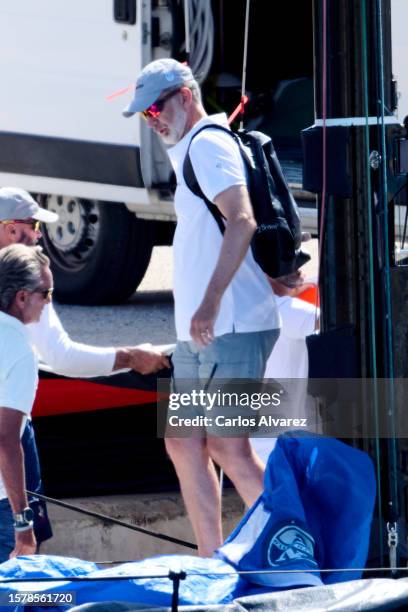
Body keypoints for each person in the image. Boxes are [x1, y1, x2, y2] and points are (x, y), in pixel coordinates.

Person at [123, 59, 280, 556]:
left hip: (229, 327)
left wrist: (210, 304)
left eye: (156, 108)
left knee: (229, 447)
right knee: (184, 441)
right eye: (145, 114)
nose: (153, 120)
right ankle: (211, 558)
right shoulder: (192, 148)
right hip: (200, 335)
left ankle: (297, 550)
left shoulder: (209, 145)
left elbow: (242, 220)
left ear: (186, 97)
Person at [0, 187, 170, 554]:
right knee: (21, 575)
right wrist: (131, 357)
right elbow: (62, 357)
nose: (39, 236)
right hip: (9, 448)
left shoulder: (23, 287)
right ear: (12, 231)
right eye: (33, 227)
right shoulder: (26, 289)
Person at [0, 244, 53, 561]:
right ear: (22, 297)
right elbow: (6, 439)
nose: (49, 302)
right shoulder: (19, 349)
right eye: (46, 293)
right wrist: (23, 523)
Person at [252, 272, 320, 464]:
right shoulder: (284, 310)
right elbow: (343, 320)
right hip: (282, 443)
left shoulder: (247, 307)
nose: (299, 269)